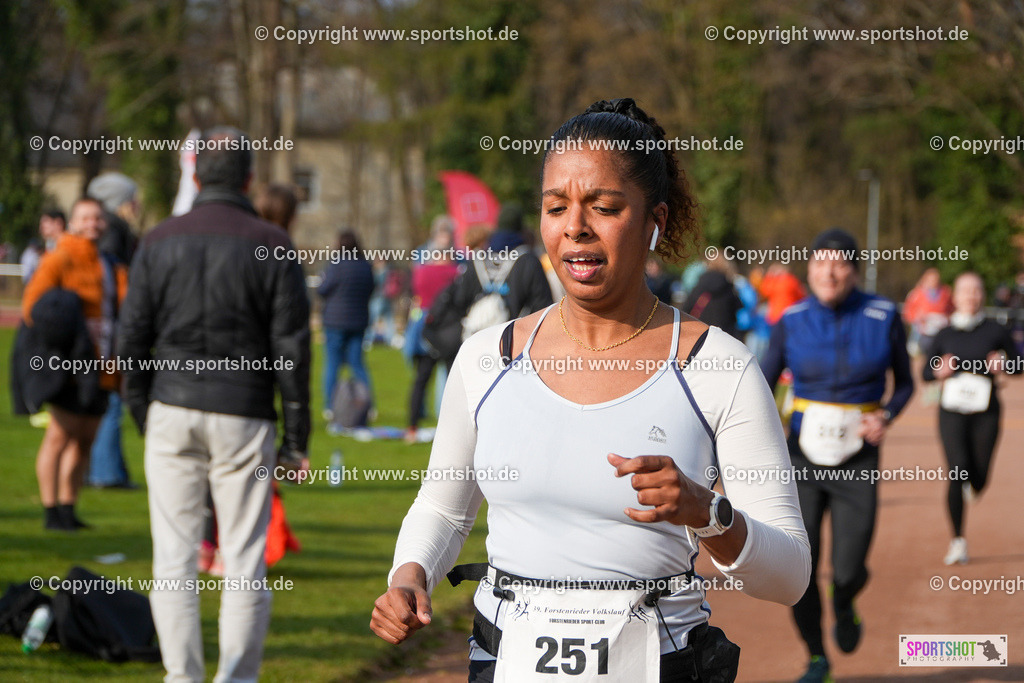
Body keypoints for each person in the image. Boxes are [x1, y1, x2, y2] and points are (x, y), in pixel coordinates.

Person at [372, 98, 810, 682]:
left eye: (603, 207)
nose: (575, 226)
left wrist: (707, 513)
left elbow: (789, 576)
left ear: (654, 221)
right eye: (556, 207)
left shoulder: (717, 366)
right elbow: (442, 511)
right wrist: (408, 576)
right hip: (503, 660)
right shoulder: (487, 359)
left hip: (665, 663)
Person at [118, 126, 310, 682]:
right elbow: (292, 351)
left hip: (172, 408)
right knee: (244, 559)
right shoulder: (272, 245)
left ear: (195, 173)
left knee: (174, 558)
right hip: (242, 413)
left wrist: (142, 410)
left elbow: (131, 339)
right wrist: (297, 438)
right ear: (249, 178)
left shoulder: (157, 239)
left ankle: (182, 677)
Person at [761, 228, 914, 683]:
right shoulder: (792, 318)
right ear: (809, 268)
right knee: (800, 565)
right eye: (820, 263)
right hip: (802, 461)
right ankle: (816, 658)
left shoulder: (883, 314)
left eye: (839, 263)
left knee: (848, 567)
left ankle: (845, 601)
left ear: (854, 268)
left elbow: (905, 383)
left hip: (858, 459)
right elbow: (760, 385)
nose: (829, 271)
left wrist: (885, 415)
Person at [21, 197, 127, 530]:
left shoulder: (111, 265)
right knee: (59, 436)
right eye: (85, 218)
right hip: (69, 367)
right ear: (74, 222)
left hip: (104, 366)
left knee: (85, 440)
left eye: (97, 217)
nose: (92, 223)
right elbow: (33, 308)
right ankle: (51, 509)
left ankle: (69, 506)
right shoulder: (59, 259)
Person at [922, 272, 1022, 565]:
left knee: (979, 475)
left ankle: (975, 486)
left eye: (977, 291)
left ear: (982, 295)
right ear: (955, 295)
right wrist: (937, 370)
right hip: (951, 412)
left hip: (986, 412)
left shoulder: (995, 330)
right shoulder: (945, 333)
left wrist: (1005, 364)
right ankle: (958, 540)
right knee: (957, 470)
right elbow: (925, 371)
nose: (971, 296)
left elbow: (1019, 365)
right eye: (966, 291)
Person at [86, 172, 141, 489]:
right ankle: (105, 472)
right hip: (114, 327)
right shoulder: (114, 231)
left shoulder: (112, 229)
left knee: (107, 397)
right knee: (111, 398)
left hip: (108, 326)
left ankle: (109, 469)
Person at [404, 240, 460, 442]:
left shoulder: (421, 271)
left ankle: (412, 425)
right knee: (450, 379)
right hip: (447, 327)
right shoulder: (454, 273)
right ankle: (450, 426)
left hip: (424, 325)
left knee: (421, 378)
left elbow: (415, 293)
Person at [318, 229, 376, 419]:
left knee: (333, 364)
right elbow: (371, 289)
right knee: (357, 364)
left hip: (335, 321)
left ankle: (330, 406)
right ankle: (367, 405)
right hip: (358, 321)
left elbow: (322, 289)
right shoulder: (365, 266)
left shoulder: (336, 265)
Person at [682, 255, 742, 339]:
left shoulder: (700, 285)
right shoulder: (728, 287)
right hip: (724, 335)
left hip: (701, 334)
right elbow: (739, 306)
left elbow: (686, 308)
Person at [903, 268, 952, 357]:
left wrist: (947, 318)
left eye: (936, 279)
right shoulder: (916, 294)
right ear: (925, 279)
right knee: (918, 355)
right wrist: (917, 318)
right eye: (931, 279)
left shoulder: (946, 292)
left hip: (940, 330)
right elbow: (908, 312)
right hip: (921, 332)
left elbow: (952, 310)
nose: (934, 282)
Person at [759, 262, 805, 326]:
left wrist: (769, 276)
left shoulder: (774, 282)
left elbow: (764, 291)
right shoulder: (792, 280)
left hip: (776, 316)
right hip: (789, 315)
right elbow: (802, 296)